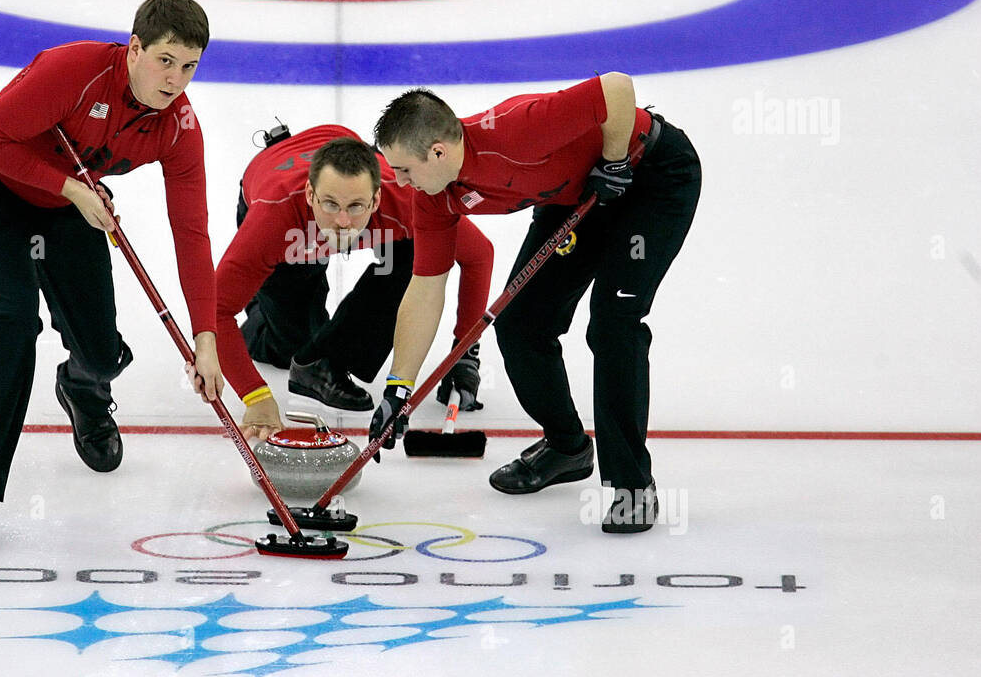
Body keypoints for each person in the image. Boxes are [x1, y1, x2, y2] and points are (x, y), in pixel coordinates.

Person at [0, 0, 223, 548]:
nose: (175, 80)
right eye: (165, 60)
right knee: (14, 325)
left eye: (189, 66)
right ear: (135, 48)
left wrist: (205, 336)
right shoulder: (75, 70)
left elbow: (192, 234)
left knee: (101, 351)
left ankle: (82, 389)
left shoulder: (179, 129)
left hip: (65, 207)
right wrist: (68, 185)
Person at [370, 74, 701, 532]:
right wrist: (398, 389)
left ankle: (632, 487)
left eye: (404, 169)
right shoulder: (431, 199)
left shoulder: (518, 129)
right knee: (521, 323)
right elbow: (426, 289)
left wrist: (615, 160)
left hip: (648, 177)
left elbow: (616, 88)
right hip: (577, 196)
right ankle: (567, 447)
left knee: (612, 323)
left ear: (439, 152)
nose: (400, 182)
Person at [215, 124, 494, 440]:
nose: (343, 222)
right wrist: (256, 397)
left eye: (356, 207)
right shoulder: (273, 218)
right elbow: (215, 311)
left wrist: (464, 352)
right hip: (281, 197)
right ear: (310, 194)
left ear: (376, 200)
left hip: (332, 177)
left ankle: (326, 361)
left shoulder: (406, 200)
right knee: (287, 347)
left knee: (422, 251)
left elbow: (479, 254)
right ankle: (262, 293)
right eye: (331, 205)